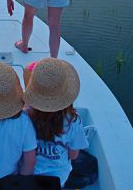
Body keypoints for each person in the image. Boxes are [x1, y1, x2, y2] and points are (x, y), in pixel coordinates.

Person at [24, 58, 89, 187]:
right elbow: (73, 155)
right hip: (59, 177)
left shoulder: (25, 116)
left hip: (29, 174)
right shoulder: (73, 121)